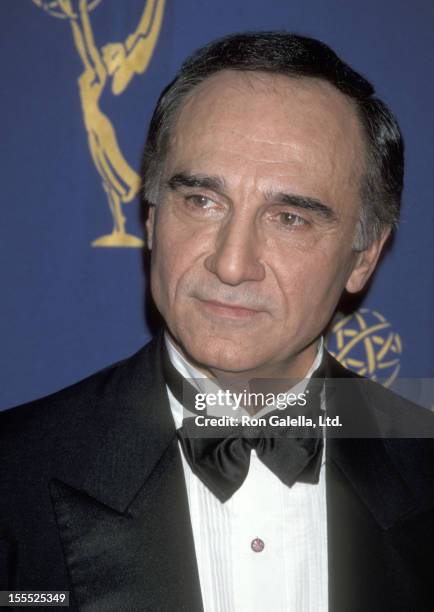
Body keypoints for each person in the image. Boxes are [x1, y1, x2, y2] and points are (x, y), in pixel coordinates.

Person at [1, 32, 433, 612]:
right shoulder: (13, 476)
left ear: (363, 258)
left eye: (290, 218)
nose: (231, 264)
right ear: (151, 220)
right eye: (202, 200)